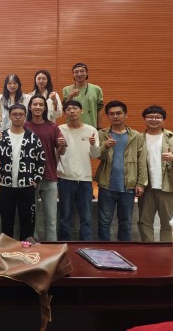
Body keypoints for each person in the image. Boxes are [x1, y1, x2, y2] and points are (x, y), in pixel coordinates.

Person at [0, 104, 45, 240]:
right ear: (10, 116)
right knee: (6, 221)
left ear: (25, 116)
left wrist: (36, 180)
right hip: (6, 186)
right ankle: (7, 248)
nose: (18, 117)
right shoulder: (2, 136)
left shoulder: (32, 137)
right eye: (14, 114)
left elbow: (41, 160)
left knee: (28, 221)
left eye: (21, 114)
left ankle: (26, 248)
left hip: (27, 185)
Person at [96, 100, 148, 241]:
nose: (115, 116)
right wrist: (106, 146)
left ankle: (125, 250)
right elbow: (98, 156)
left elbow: (142, 161)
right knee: (104, 222)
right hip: (106, 185)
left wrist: (141, 183)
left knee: (125, 223)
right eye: (111, 114)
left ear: (126, 115)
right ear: (107, 116)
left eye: (119, 113)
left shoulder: (136, 136)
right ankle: (104, 249)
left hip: (128, 186)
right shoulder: (102, 134)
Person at [23, 94, 66, 241]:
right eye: (35, 104)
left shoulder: (52, 126)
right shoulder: (24, 126)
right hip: (29, 178)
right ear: (30, 107)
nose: (38, 107)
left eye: (41, 105)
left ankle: (51, 248)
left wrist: (62, 145)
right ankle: (33, 247)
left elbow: (61, 151)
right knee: (31, 218)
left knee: (51, 218)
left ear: (45, 108)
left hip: (50, 176)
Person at [56, 100, 101, 241]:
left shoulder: (91, 130)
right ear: (64, 113)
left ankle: (87, 246)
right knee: (65, 217)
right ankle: (64, 246)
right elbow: (56, 155)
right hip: (64, 179)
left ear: (81, 111)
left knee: (86, 218)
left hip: (85, 180)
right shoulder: (59, 129)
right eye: (68, 109)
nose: (72, 111)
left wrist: (93, 145)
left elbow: (96, 155)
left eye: (75, 108)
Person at [138, 106, 173, 242]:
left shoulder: (172, 137)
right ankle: (148, 250)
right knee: (144, 221)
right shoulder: (138, 138)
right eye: (150, 116)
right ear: (144, 119)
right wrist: (138, 183)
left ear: (163, 120)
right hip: (146, 186)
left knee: (168, 222)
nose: (154, 119)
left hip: (167, 185)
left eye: (158, 117)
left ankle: (166, 250)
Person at [62, 62, 104, 128]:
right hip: (72, 127)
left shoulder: (96, 89)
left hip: (91, 126)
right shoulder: (66, 89)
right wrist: (70, 96)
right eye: (76, 72)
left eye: (82, 71)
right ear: (73, 74)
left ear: (87, 73)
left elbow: (99, 110)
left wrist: (99, 128)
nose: (79, 74)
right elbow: (65, 109)